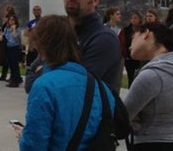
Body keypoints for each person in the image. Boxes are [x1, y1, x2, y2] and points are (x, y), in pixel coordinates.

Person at [14, 15, 116, 150]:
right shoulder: (101, 88)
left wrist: (23, 138)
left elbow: (34, 146)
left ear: (41, 45)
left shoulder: (44, 86)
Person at [28, 0, 123, 94]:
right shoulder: (59, 32)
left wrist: (44, 70)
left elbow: (74, 87)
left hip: (93, 112)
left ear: (95, 0)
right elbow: (30, 82)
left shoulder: (104, 39)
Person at [124, 21, 173, 150]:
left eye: (132, 38)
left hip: (151, 143)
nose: (129, 46)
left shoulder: (153, 75)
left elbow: (122, 116)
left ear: (146, 34)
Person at [119, 11, 144, 87]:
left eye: (135, 18)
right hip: (129, 58)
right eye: (132, 18)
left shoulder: (143, 30)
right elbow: (122, 43)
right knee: (131, 78)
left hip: (141, 57)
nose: (133, 20)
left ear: (140, 19)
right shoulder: (126, 30)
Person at [0, 6, 16, 81]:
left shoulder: (11, 19)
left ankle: (12, 76)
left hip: (7, 41)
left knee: (8, 59)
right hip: (3, 40)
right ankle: (3, 75)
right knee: (5, 59)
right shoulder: (6, 21)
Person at [3, 15, 23, 87]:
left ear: (15, 21)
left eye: (12, 20)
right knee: (11, 64)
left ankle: (16, 81)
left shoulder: (18, 29)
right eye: (10, 20)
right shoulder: (7, 29)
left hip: (15, 47)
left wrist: (14, 29)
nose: (11, 21)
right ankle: (15, 78)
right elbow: (4, 37)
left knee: (14, 65)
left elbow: (15, 36)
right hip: (8, 47)